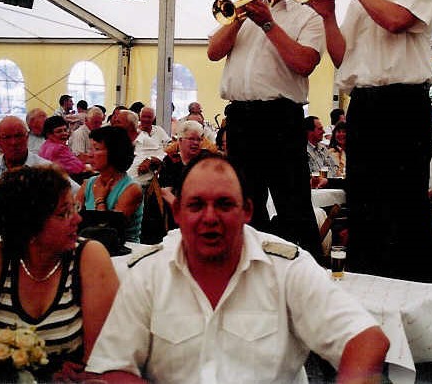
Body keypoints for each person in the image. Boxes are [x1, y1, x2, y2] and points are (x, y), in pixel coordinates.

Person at [85, 155, 389, 383]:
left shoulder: (286, 268)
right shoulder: (148, 273)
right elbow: (112, 366)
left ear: (247, 211)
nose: (210, 217)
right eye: (196, 205)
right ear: (177, 212)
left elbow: (366, 339)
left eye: (224, 204)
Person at [309, 0, 432, 282]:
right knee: (363, 201)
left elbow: (396, 20)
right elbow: (342, 58)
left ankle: (416, 287)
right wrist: (327, 15)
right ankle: (367, 282)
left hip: (403, 103)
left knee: (404, 202)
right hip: (365, 105)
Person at [207, 0, 324, 259]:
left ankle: (306, 270)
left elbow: (304, 63)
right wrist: (238, 18)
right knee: (244, 200)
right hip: (241, 117)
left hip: (280, 118)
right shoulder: (244, 13)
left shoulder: (308, 17)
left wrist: (268, 23)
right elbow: (213, 52)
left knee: (292, 202)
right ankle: (248, 264)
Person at [0, 165, 119, 381]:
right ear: (28, 226)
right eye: (63, 213)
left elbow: (100, 360)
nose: (78, 219)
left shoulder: (88, 257)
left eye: (75, 208)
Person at [77, 126, 144, 243]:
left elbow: (109, 235)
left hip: (125, 249)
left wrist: (100, 200)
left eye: (96, 149)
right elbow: (72, 219)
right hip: (90, 245)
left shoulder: (132, 189)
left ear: (114, 152)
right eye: (90, 149)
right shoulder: (88, 184)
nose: (90, 155)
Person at [305, 116, 338, 185]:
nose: (323, 131)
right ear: (310, 132)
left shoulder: (323, 148)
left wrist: (326, 179)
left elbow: (335, 167)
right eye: (320, 129)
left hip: (327, 186)